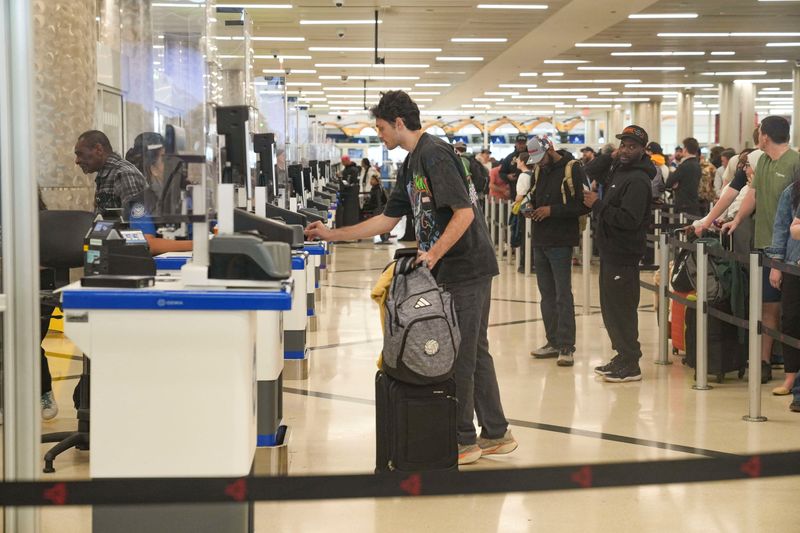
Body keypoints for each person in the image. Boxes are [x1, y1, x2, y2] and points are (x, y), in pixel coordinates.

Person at [304, 90, 516, 465]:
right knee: (474, 349)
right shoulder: (410, 164)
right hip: (454, 267)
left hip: (467, 268)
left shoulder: (435, 154)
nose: (379, 134)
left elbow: (464, 213)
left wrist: (433, 253)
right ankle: (496, 433)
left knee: (460, 355)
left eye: (381, 128)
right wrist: (331, 234)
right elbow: (387, 220)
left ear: (399, 123)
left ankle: (463, 440)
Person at [722, 116, 800, 383]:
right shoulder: (763, 162)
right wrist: (737, 220)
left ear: (765, 136)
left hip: (791, 251)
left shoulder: (795, 163)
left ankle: (790, 369)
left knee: (789, 311)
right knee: (767, 306)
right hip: (764, 244)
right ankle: (764, 361)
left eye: (759, 132)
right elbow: (753, 195)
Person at [585, 125, 654, 383]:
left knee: (622, 309)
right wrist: (609, 155)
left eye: (632, 147)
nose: (625, 150)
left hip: (624, 252)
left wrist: (598, 205)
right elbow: (589, 171)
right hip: (610, 250)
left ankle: (631, 362)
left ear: (643, 150)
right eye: (623, 145)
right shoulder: (619, 169)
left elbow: (629, 219)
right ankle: (622, 355)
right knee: (611, 308)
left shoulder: (638, 180)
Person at [523, 137, 588, 367]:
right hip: (540, 239)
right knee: (547, 295)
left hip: (561, 240)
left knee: (562, 295)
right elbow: (532, 197)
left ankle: (566, 346)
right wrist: (529, 207)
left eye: (541, 158)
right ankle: (552, 341)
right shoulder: (539, 171)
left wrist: (552, 211)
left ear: (550, 149)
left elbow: (583, 205)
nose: (539, 163)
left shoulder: (573, 168)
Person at [124, 132, 193, 255]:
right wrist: (198, 244)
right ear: (153, 169)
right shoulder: (141, 203)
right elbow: (149, 244)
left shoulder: (186, 196)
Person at [765, 179, 800, 397]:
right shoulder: (792, 191)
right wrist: (776, 264)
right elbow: (782, 227)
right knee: (791, 319)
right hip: (793, 263)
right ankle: (790, 376)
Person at [74, 130, 147, 217]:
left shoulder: (123, 173)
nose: (77, 161)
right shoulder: (106, 174)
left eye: (80, 154)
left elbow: (136, 220)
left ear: (99, 150)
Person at [665, 137, 702, 217]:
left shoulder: (684, 165)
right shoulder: (698, 165)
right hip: (694, 203)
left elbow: (669, 183)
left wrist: (676, 184)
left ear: (685, 149)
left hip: (683, 205)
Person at [361, 174, 390, 243]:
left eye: (372, 180)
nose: (371, 181)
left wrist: (378, 212)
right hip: (376, 207)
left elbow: (378, 201)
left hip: (377, 208)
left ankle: (384, 236)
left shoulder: (377, 189)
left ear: (377, 181)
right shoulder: (375, 188)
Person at [337, 155, 361, 227]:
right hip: (350, 194)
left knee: (350, 212)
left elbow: (349, 182)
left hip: (351, 194)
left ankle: (349, 225)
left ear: (347, 161)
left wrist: (341, 177)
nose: (342, 163)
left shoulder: (352, 170)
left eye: (343, 161)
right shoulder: (348, 168)